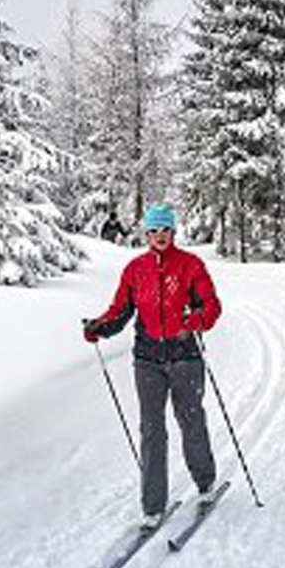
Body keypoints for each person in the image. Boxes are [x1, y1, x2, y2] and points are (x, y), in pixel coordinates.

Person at [84, 204, 221, 529]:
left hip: (185, 357)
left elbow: (212, 306)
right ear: (146, 234)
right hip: (148, 361)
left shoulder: (191, 265)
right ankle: (153, 505)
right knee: (151, 431)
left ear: (173, 232)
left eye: (165, 230)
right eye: (154, 231)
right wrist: (99, 327)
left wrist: (195, 320)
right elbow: (120, 311)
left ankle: (205, 484)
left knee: (191, 421)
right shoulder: (135, 270)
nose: (160, 235)